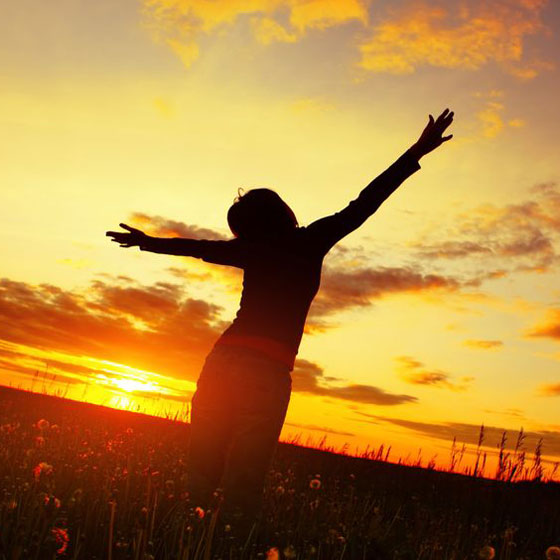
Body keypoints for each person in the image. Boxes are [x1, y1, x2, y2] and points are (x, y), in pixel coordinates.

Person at [106, 108, 454, 531]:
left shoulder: (250, 249)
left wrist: (148, 243)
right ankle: (226, 543)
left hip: (221, 361)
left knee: (200, 477)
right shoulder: (311, 241)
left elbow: (197, 247)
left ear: (246, 230)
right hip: (265, 372)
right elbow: (367, 201)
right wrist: (417, 151)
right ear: (284, 212)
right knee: (242, 486)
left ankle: (188, 541)